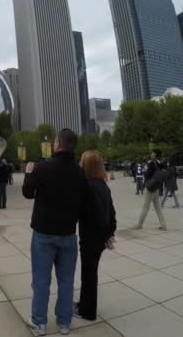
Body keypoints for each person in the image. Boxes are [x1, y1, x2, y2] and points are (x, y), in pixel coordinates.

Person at [22, 129, 89, 335]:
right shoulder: (79, 172)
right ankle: (64, 323)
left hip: (44, 233)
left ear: (58, 144)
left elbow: (27, 193)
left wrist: (28, 173)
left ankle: (40, 323)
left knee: (41, 280)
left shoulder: (43, 168)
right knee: (66, 280)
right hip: (68, 233)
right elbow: (84, 203)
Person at [75, 150, 117, 322]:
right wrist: (110, 233)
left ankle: (88, 311)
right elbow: (111, 212)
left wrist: (105, 235)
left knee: (89, 275)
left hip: (91, 238)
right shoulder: (102, 184)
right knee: (89, 274)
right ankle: (84, 304)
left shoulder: (89, 186)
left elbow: (98, 214)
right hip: (99, 237)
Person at [134, 150, 167, 231]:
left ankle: (139, 224)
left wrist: (146, 171)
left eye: (152, 153)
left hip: (150, 187)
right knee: (158, 207)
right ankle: (163, 225)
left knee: (146, 206)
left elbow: (148, 175)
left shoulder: (152, 163)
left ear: (155, 154)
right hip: (156, 187)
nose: (151, 154)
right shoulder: (160, 163)